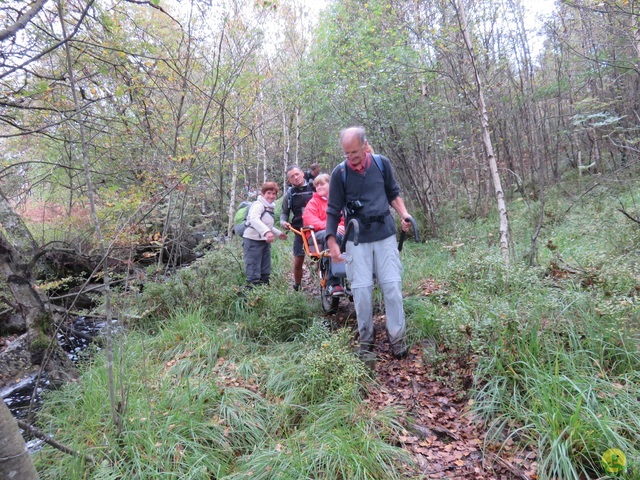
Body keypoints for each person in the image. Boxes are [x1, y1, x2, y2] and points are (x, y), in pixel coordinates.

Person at [325, 126, 413, 361]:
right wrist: (332, 241)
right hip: (356, 238)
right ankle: (366, 339)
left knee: (392, 288)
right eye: (346, 153)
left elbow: (393, 193)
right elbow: (333, 210)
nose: (351, 157)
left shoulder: (381, 164)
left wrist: (404, 214)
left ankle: (397, 338)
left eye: (354, 152)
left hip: (384, 234)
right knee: (361, 291)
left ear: (365, 145)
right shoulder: (339, 173)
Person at [302, 174, 346, 296]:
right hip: (316, 235)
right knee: (331, 235)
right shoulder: (313, 202)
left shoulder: (339, 201)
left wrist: (343, 227)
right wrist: (332, 226)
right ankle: (333, 282)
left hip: (338, 232)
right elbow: (310, 220)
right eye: (317, 185)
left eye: (322, 184)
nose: (319, 187)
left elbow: (344, 218)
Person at [242, 182, 287, 287]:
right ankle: (250, 299)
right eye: (268, 193)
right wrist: (266, 232)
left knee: (265, 271)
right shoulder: (258, 205)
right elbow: (254, 219)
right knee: (253, 272)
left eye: (274, 193)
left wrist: (279, 234)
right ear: (263, 193)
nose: (271, 196)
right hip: (252, 241)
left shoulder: (269, 207)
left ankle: (264, 297)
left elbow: (268, 226)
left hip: (263, 242)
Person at [280, 165, 314, 291]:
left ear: (302, 174)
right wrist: (283, 222)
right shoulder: (289, 194)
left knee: (323, 257)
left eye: (297, 174)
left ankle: (327, 282)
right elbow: (284, 212)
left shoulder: (315, 187)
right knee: (298, 261)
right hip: (299, 231)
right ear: (289, 180)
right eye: (292, 176)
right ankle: (297, 286)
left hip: (317, 229)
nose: (295, 178)